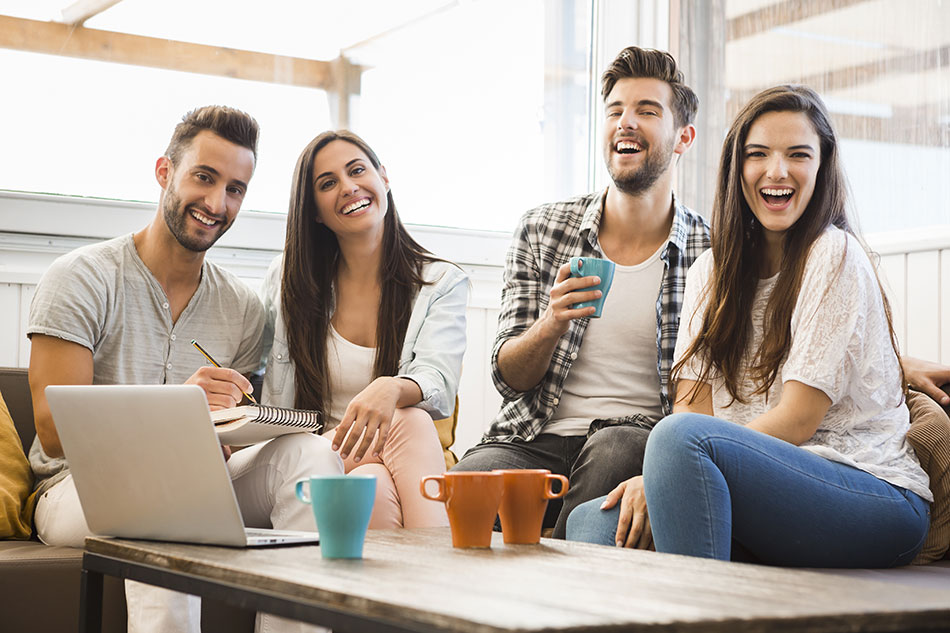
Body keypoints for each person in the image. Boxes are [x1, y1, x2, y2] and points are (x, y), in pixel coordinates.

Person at [567, 85, 933, 567]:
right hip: (756, 491)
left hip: (872, 494)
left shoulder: (834, 254)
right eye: (757, 154)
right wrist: (666, 478)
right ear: (737, 169)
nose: (776, 171)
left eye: (798, 155)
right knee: (592, 522)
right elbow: (692, 410)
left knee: (676, 443)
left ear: (822, 167)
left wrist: (680, 464)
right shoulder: (709, 273)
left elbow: (798, 419)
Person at [27, 105, 342, 633]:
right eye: (204, 177)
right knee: (164, 487)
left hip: (201, 481)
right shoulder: (80, 278)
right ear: (164, 172)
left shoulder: (243, 308)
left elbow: (225, 439)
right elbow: (54, 432)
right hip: (76, 488)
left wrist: (231, 427)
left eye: (236, 189)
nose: (217, 203)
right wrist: (180, 407)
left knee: (308, 458)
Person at [451, 46, 709, 538]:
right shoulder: (542, 229)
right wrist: (552, 322)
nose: (625, 123)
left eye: (647, 111)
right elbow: (510, 379)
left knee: (615, 450)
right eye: (615, 111)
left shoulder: (709, 249)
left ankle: (561, 585)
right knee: (468, 483)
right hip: (534, 436)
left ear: (684, 138)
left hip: (634, 437)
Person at [261, 129, 467, 528]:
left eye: (357, 170)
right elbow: (256, 382)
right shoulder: (288, 281)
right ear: (315, 211)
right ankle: (444, 575)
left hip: (384, 465)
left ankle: (394, 587)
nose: (349, 187)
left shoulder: (442, 282)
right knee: (408, 421)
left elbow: (438, 381)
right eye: (328, 183)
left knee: (372, 482)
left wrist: (391, 387)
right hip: (315, 457)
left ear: (384, 177)